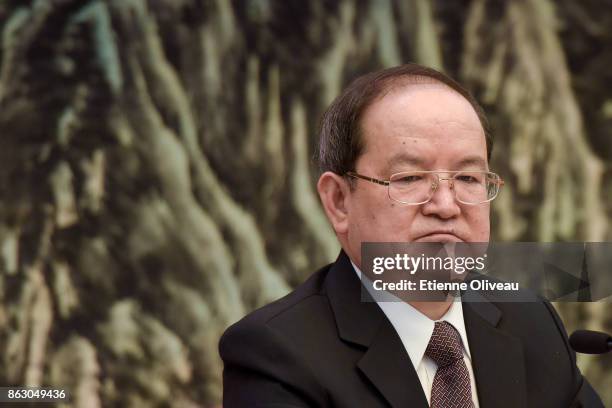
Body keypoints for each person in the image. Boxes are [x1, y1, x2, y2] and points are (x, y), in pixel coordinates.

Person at [218, 63, 603, 407]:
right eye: (411, 178)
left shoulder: (529, 320)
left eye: (468, 178)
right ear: (338, 201)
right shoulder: (277, 356)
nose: (446, 205)